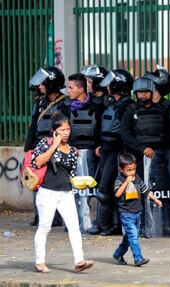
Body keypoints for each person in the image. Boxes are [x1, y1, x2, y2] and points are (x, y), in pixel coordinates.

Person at [32, 112, 93, 273]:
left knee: (74, 227)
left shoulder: (72, 151)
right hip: (47, 193)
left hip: (66, 193)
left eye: (68, 129)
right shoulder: (45, 143)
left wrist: (81, 183)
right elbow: (38, 162)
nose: (66, 132)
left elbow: (71, 175)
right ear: (55, 130)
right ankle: (40, 261)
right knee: (45, 227)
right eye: (62, 129)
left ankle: (79, 260)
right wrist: (54, 145)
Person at [121, 77, 170, 237]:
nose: (143, 95)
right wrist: (142, 148)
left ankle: (168, 225)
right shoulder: (131, 111)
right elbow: (126, 134)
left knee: (165, 191)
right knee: (140, 192)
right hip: (139, 158)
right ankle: (143, 226)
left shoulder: (163, 109)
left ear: (151, 93)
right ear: (136, 94)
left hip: (161, 157)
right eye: (140, 93)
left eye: (146, 92)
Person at [90, 68, 135, 236]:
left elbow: (125, 132)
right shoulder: (111, 103)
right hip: (106, 150)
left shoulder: (127, 106)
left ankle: (110, 225)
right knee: (104, 188)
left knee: (108, 189)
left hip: (118, 152)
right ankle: (104, 224)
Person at [25, 66, 70, 227]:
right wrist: (28, 148)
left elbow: (66, 127)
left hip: (56, 146)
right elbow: (33, 126)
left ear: (50, 84)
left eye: (43, 83)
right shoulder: (41, 102)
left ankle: (56, 218)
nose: (40, 86)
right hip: (39, 145)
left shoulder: (65, 103)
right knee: (37, 180)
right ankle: (40, 216)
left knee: (55, 180)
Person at [67, 73, 104, 233]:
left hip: (92, 153)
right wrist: (68, 146)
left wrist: (100, 145)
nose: (68, 91)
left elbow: (104, 126)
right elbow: (59, 129)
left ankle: (93, 222)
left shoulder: (97, 105)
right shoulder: (65, 106)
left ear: (81, 89)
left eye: (71, 87)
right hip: (73, 152)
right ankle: (76, 223)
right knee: (75, 190)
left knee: (92, 189)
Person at [113, 153, 162, 266]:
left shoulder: (137, 178)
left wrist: (156, 199)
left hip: (137, 212)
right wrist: (126, 182)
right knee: (134, 237)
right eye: (129, 170)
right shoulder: (119, 180)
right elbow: (117, 194)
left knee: (129, 237)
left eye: (134, 169)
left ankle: (118, 253)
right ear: (121, 170)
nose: (132, 172)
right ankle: (138, 258)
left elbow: (146, 190)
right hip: (126, 213)